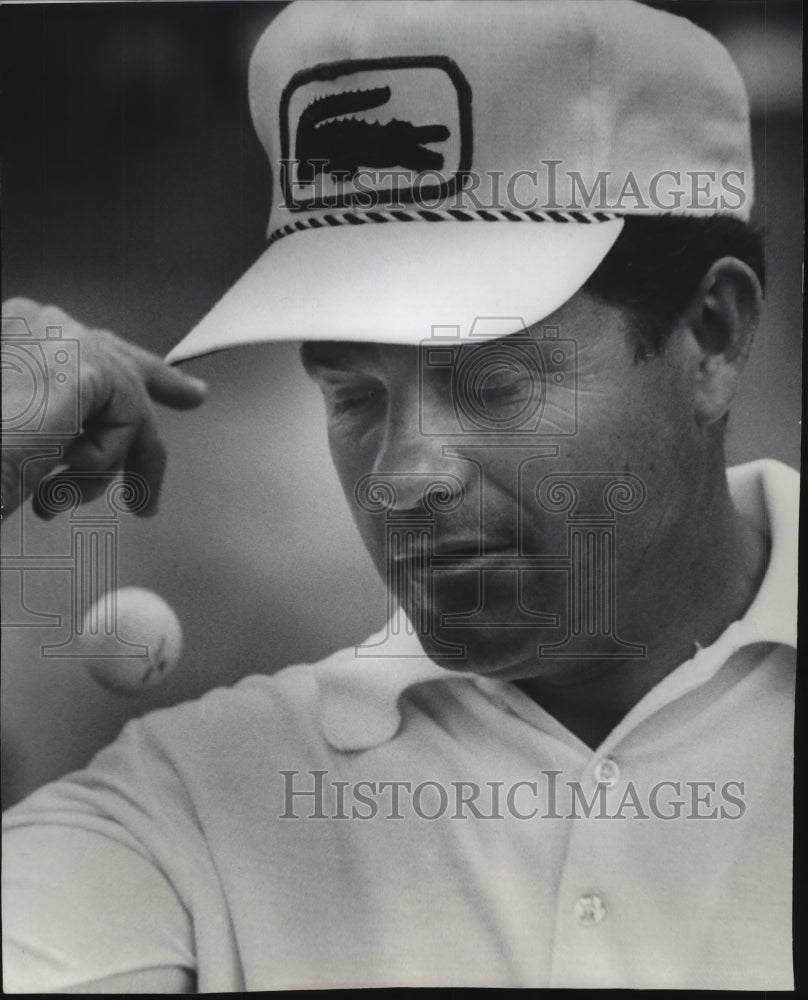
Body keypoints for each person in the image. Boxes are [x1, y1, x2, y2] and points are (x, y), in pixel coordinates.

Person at [1, 0, 797, 991]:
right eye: (354, 393)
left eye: (496, 381)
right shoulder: (192, 807)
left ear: (712, 338)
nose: (401, 472)